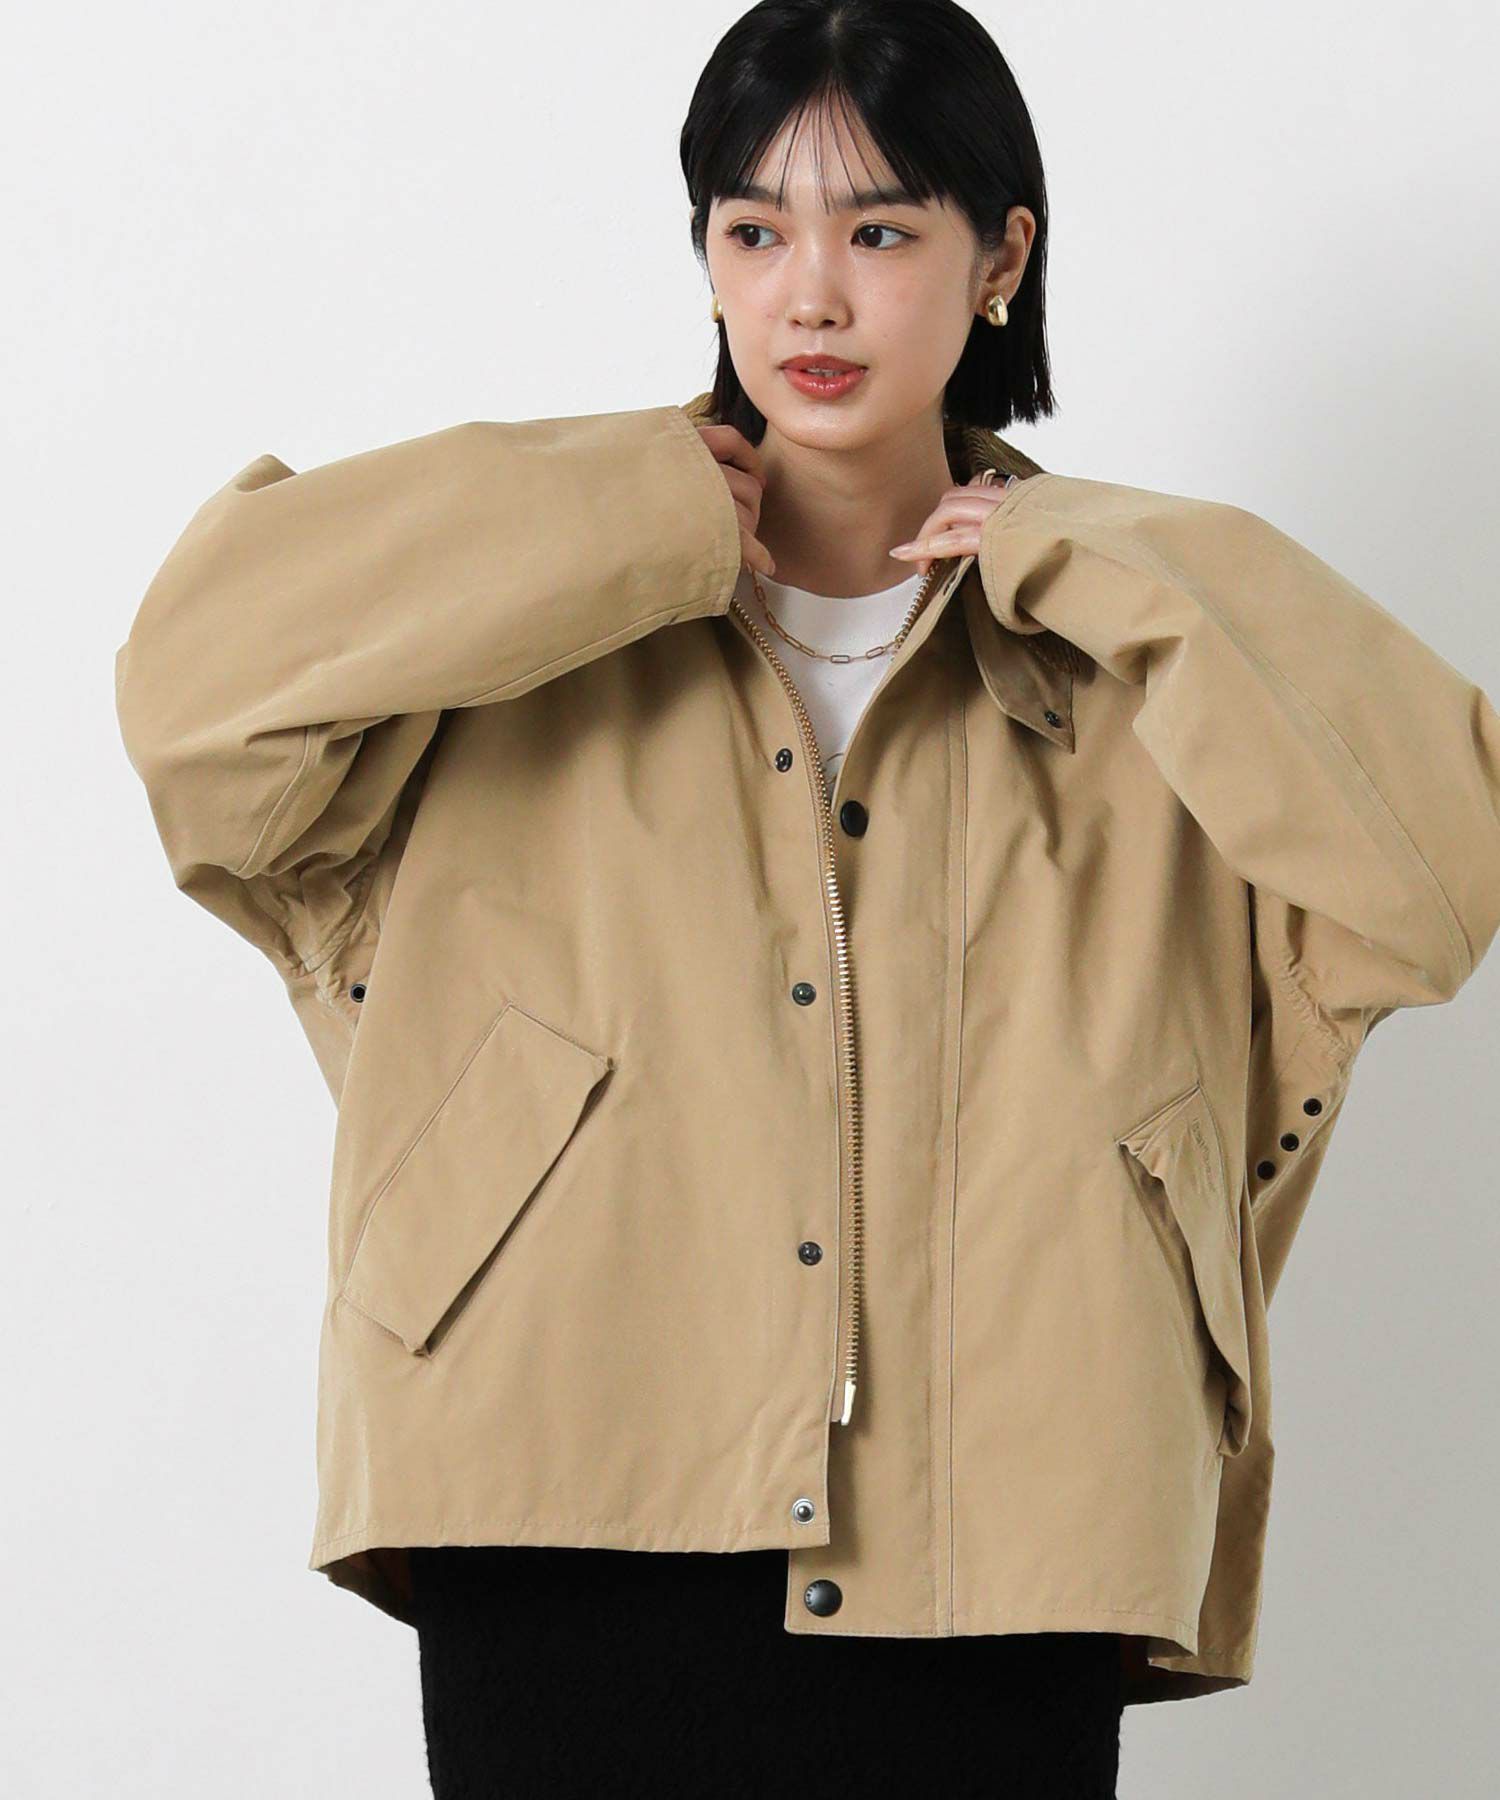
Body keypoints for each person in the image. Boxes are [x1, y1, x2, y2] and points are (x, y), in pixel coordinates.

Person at [112, 3, 1500, 1796]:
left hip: (1016, 1499)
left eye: (881, 230)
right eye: (755, 230)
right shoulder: (517, 632)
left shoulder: (1137, 666)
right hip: (561, 1471)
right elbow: (193, 697)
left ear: (1002, 257)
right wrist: (616, 508)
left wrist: (1117, 561)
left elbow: (1437, 870)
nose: (811, 297)